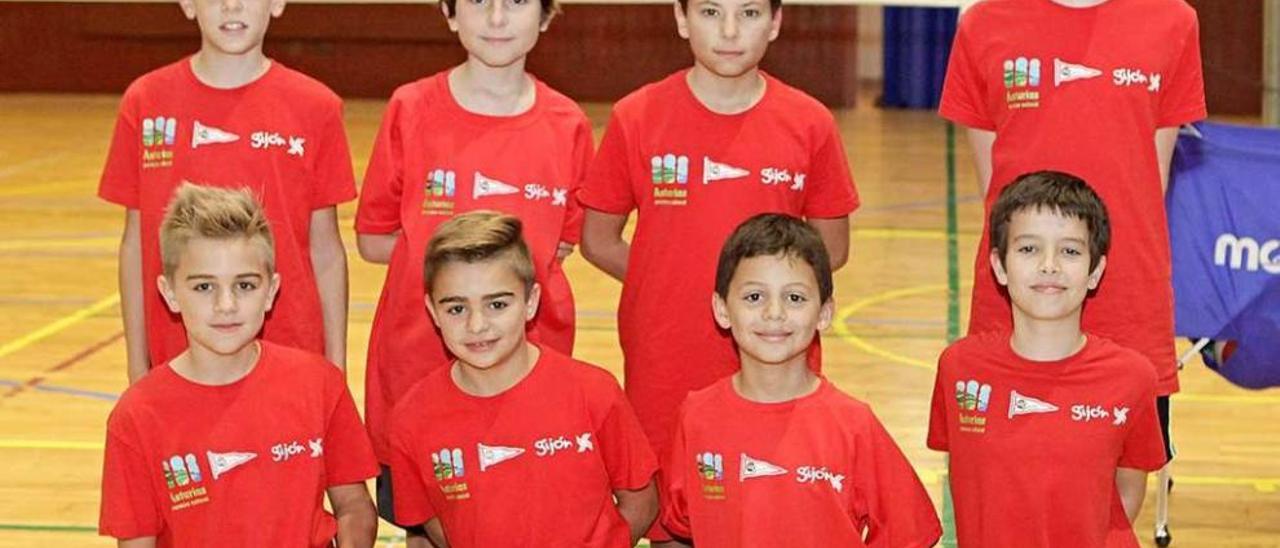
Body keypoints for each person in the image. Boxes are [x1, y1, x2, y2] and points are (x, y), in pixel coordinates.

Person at [99, 184, 378, 547]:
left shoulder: (319, 383)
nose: (226, 304)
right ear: (169, 293)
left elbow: (355, 506)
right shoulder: (137, 416)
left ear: (271, 290)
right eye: (203, 287)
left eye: (245, 285)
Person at [99, 0, 357, 382]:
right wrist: (137, 364)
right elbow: (135, 245)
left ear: (277, 4)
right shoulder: (146, 102)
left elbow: (326, 250)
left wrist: (335, 365)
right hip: (178, 357)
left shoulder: (316, 107)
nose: (232, 6)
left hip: (290, 355)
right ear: (187, 4)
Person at [663, 213, 941, 547]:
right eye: (755, 297)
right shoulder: (696, 418)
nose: (774, 312)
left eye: (794, 297)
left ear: (824, 312)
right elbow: (679, 525)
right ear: (722, 309)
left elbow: (910, 532)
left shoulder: (853, 425)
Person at [387, 211, 658, 547]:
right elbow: (433, 529)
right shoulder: (411, 418)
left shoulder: (594, 393)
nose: (476, 325)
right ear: (432, 311)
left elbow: (641, 503)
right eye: (457, 308)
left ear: (530, 303)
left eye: (497, 304)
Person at [927, 171, 1167, 547]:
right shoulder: (960, 369)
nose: (1049, 265)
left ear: (1095, 271)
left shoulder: (1133, 377)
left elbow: (1128, 490)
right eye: (1028, 249)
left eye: (1070, 251)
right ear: (1000, 266)